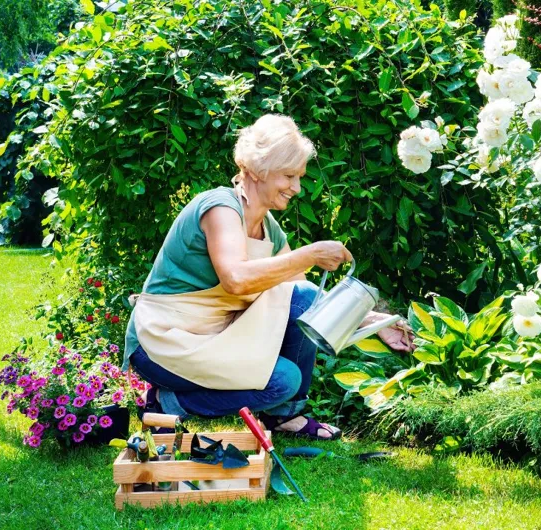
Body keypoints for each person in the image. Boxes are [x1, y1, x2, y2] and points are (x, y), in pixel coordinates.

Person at [122, 114, 413, 439]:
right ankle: (166, 402)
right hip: (163, 343)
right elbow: (235, 279)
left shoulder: (269, 230)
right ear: (259, 169)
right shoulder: (219, 208)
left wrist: (377, 322)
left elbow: (307, 298)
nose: (297, 188)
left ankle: (286, 416)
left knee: (301, 298)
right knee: (281, 380)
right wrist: (310, 254)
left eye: (299, 177)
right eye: (289, 176)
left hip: (213, 340)